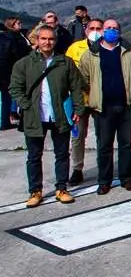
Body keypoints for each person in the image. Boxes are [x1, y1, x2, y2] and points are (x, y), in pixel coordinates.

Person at [9, 25, 84, 206]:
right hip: (35, 117)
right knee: (34, 156)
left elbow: (76, 87)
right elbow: (15, 88)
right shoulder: (24, 64)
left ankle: (61, 188)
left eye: (50, 39)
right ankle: (35, 191)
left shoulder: (65, 62)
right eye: (43, 39)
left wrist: (78, 109)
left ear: (55, 41)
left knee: (62, 154)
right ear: (36, 40)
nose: (47, 42)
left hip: (59, 115)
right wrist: (26, 106)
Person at [77, 19, 131, 194]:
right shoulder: (90, 54)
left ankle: (126, 179)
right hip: (103, 108)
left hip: (125, 105)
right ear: (103, 31)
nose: (111, 30)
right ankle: (104, 181)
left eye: (115, 28)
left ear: (120, 31)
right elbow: (82, 78)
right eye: (108, 28)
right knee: (104, 145)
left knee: (126, 144)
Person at [64, 17, 103, 184]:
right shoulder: (74, 48)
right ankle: (77, 168)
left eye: (98, 28)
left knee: (103, 136)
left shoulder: (107, 48)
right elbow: (66, 72)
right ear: (86, 31)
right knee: (78, 136)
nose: (95, 31)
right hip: (79, 100)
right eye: (92, 28)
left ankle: (104, 166)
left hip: (100, 99)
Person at [1, 16, 33, 130]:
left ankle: (4, 121)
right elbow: (18, 55)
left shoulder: (2, 36)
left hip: (4, 70)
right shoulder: (15, 38)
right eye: (18, 23)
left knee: (5, 98)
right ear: (12, 24)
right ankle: (6, 122)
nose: (20, 25)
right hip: (10, 71)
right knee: (10, 96)